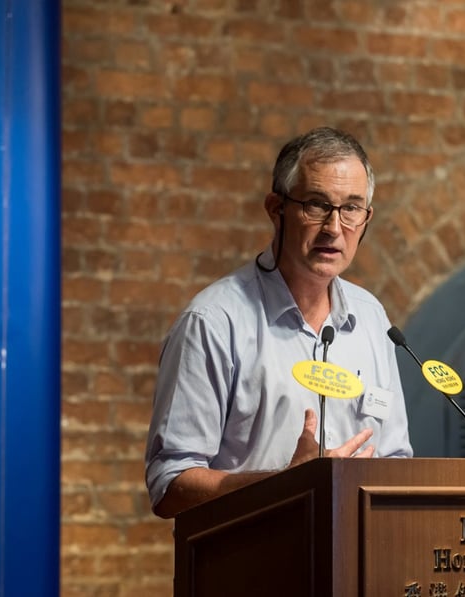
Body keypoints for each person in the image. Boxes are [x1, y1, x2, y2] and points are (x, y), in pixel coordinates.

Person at [144, 127, 413, 519]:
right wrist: (284, 485)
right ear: (276, 208)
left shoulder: (372, 318)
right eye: (316, 205)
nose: (334, 228)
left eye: (351, 209)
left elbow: (396, 458)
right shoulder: (213, 322)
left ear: (367, 217)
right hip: (253, 554)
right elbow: (169, 485)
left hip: (358, 553)